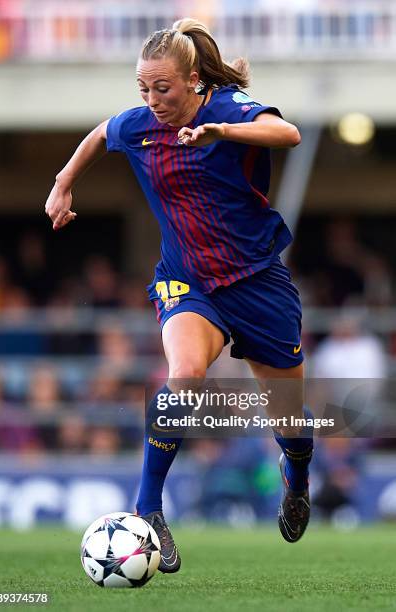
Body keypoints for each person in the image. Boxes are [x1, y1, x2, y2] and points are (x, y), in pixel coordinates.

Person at [45, 18, 313, 573]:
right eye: (142, 88)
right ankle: (149, 511)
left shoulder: (228, 106)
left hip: (257, 281)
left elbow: (288, 135)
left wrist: (223, 133)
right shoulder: (139, 126)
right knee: (185, 377)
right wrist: (63, 182)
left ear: (193, 80)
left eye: (161, 89)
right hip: (187, 280)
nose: (151, 100)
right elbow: (101, 133)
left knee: (288, 417)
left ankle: (298, 473)